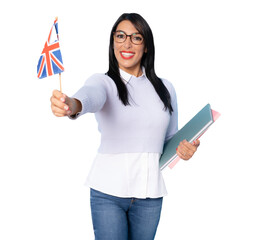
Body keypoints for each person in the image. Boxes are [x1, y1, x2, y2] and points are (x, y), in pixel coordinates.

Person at [50, 13, 200, 240]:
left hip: (150, 195)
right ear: (113, 43)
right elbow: (89, 97)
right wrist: (71, 105)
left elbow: (170, 141)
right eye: (120, 36)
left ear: (146, 46)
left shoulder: (166, 89)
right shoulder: (104, 82)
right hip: (108, 193)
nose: (127, 43)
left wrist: (184, 151)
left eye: (136, 37)